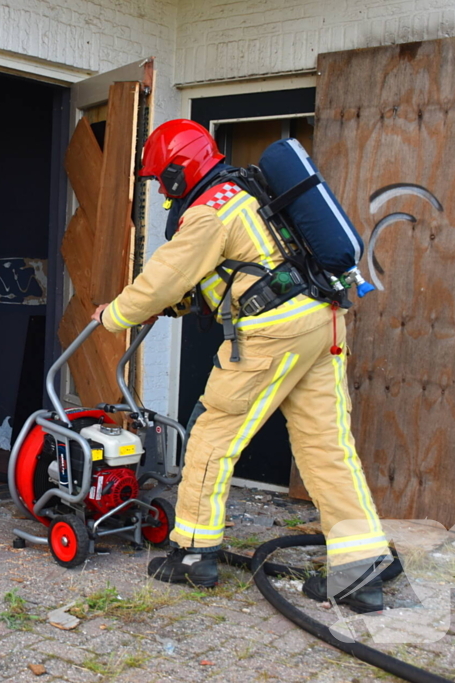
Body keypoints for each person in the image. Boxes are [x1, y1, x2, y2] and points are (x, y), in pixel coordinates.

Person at [90, 119, 389, 613]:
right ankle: (361, 569)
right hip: (322, 322)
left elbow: (162, 279)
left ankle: (192, 555)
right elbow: (231, 272)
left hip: (274, 333)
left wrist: (114, 315)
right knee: (327, 448)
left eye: (163, 179)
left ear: (181, 172)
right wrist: (181, 304)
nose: (162, 190)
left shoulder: (210, 211)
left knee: (212, 438)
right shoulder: (245, 192)